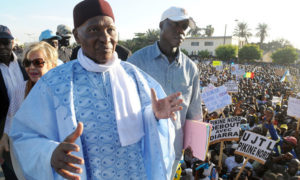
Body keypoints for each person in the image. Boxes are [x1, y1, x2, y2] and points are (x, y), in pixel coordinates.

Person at [9, 0, 182, 179]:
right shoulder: (55, 83)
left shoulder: (137, 78)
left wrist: (154, 117)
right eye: (94, 30)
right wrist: (49, 154)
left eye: (110, 29)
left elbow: (154, 140)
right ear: (77, 35)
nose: (105, 37)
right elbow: (23, 135)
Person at [128, 6, 202, 175]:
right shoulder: (136, 62)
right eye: (175, 24)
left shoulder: (191, 69)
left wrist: (193, 144)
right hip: (142, 147)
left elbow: (194, 112)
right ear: (161, 25)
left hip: (173, 152)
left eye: (184, 26)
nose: (180, 31)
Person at [0, 24, 28, 180]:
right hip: (3, 132)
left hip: (29, 126)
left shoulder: (26, 63)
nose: (2, 47)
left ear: (12, 43)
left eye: (6, 42)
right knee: (12, 173)